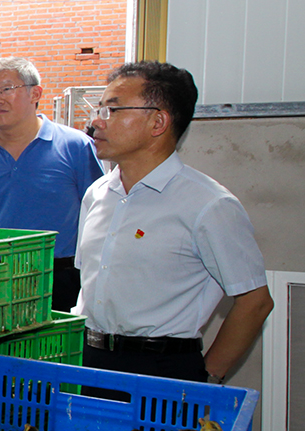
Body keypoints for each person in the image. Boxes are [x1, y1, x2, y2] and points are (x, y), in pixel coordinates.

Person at [74, 61, 274, 399]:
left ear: (158, 122)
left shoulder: (208, 204)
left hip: (163, 370)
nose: (96, 122)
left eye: (113, 110)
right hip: (89, 361)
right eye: (99, 109)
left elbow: (255, 302)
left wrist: (206, 379)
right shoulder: (97, 194)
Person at [0, 57, 104, 312]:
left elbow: (99, 216)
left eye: (6, 89)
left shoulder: (75, 146)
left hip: (60, 278)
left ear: (36, 94)